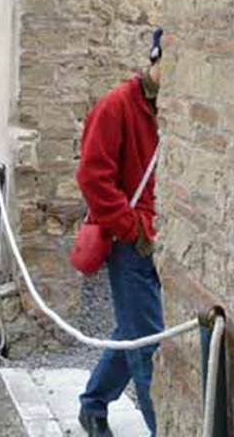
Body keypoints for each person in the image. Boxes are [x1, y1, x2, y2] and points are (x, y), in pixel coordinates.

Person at [78, 29, 164, 437]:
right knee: (147, 344)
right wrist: (132, 230)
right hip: (131, 243)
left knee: (134, 330)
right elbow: (93, 178)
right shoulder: (117, 105)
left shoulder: (172, 107)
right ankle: (160, 428)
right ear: (155, 59)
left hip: (162, 238)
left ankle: (93, 403)